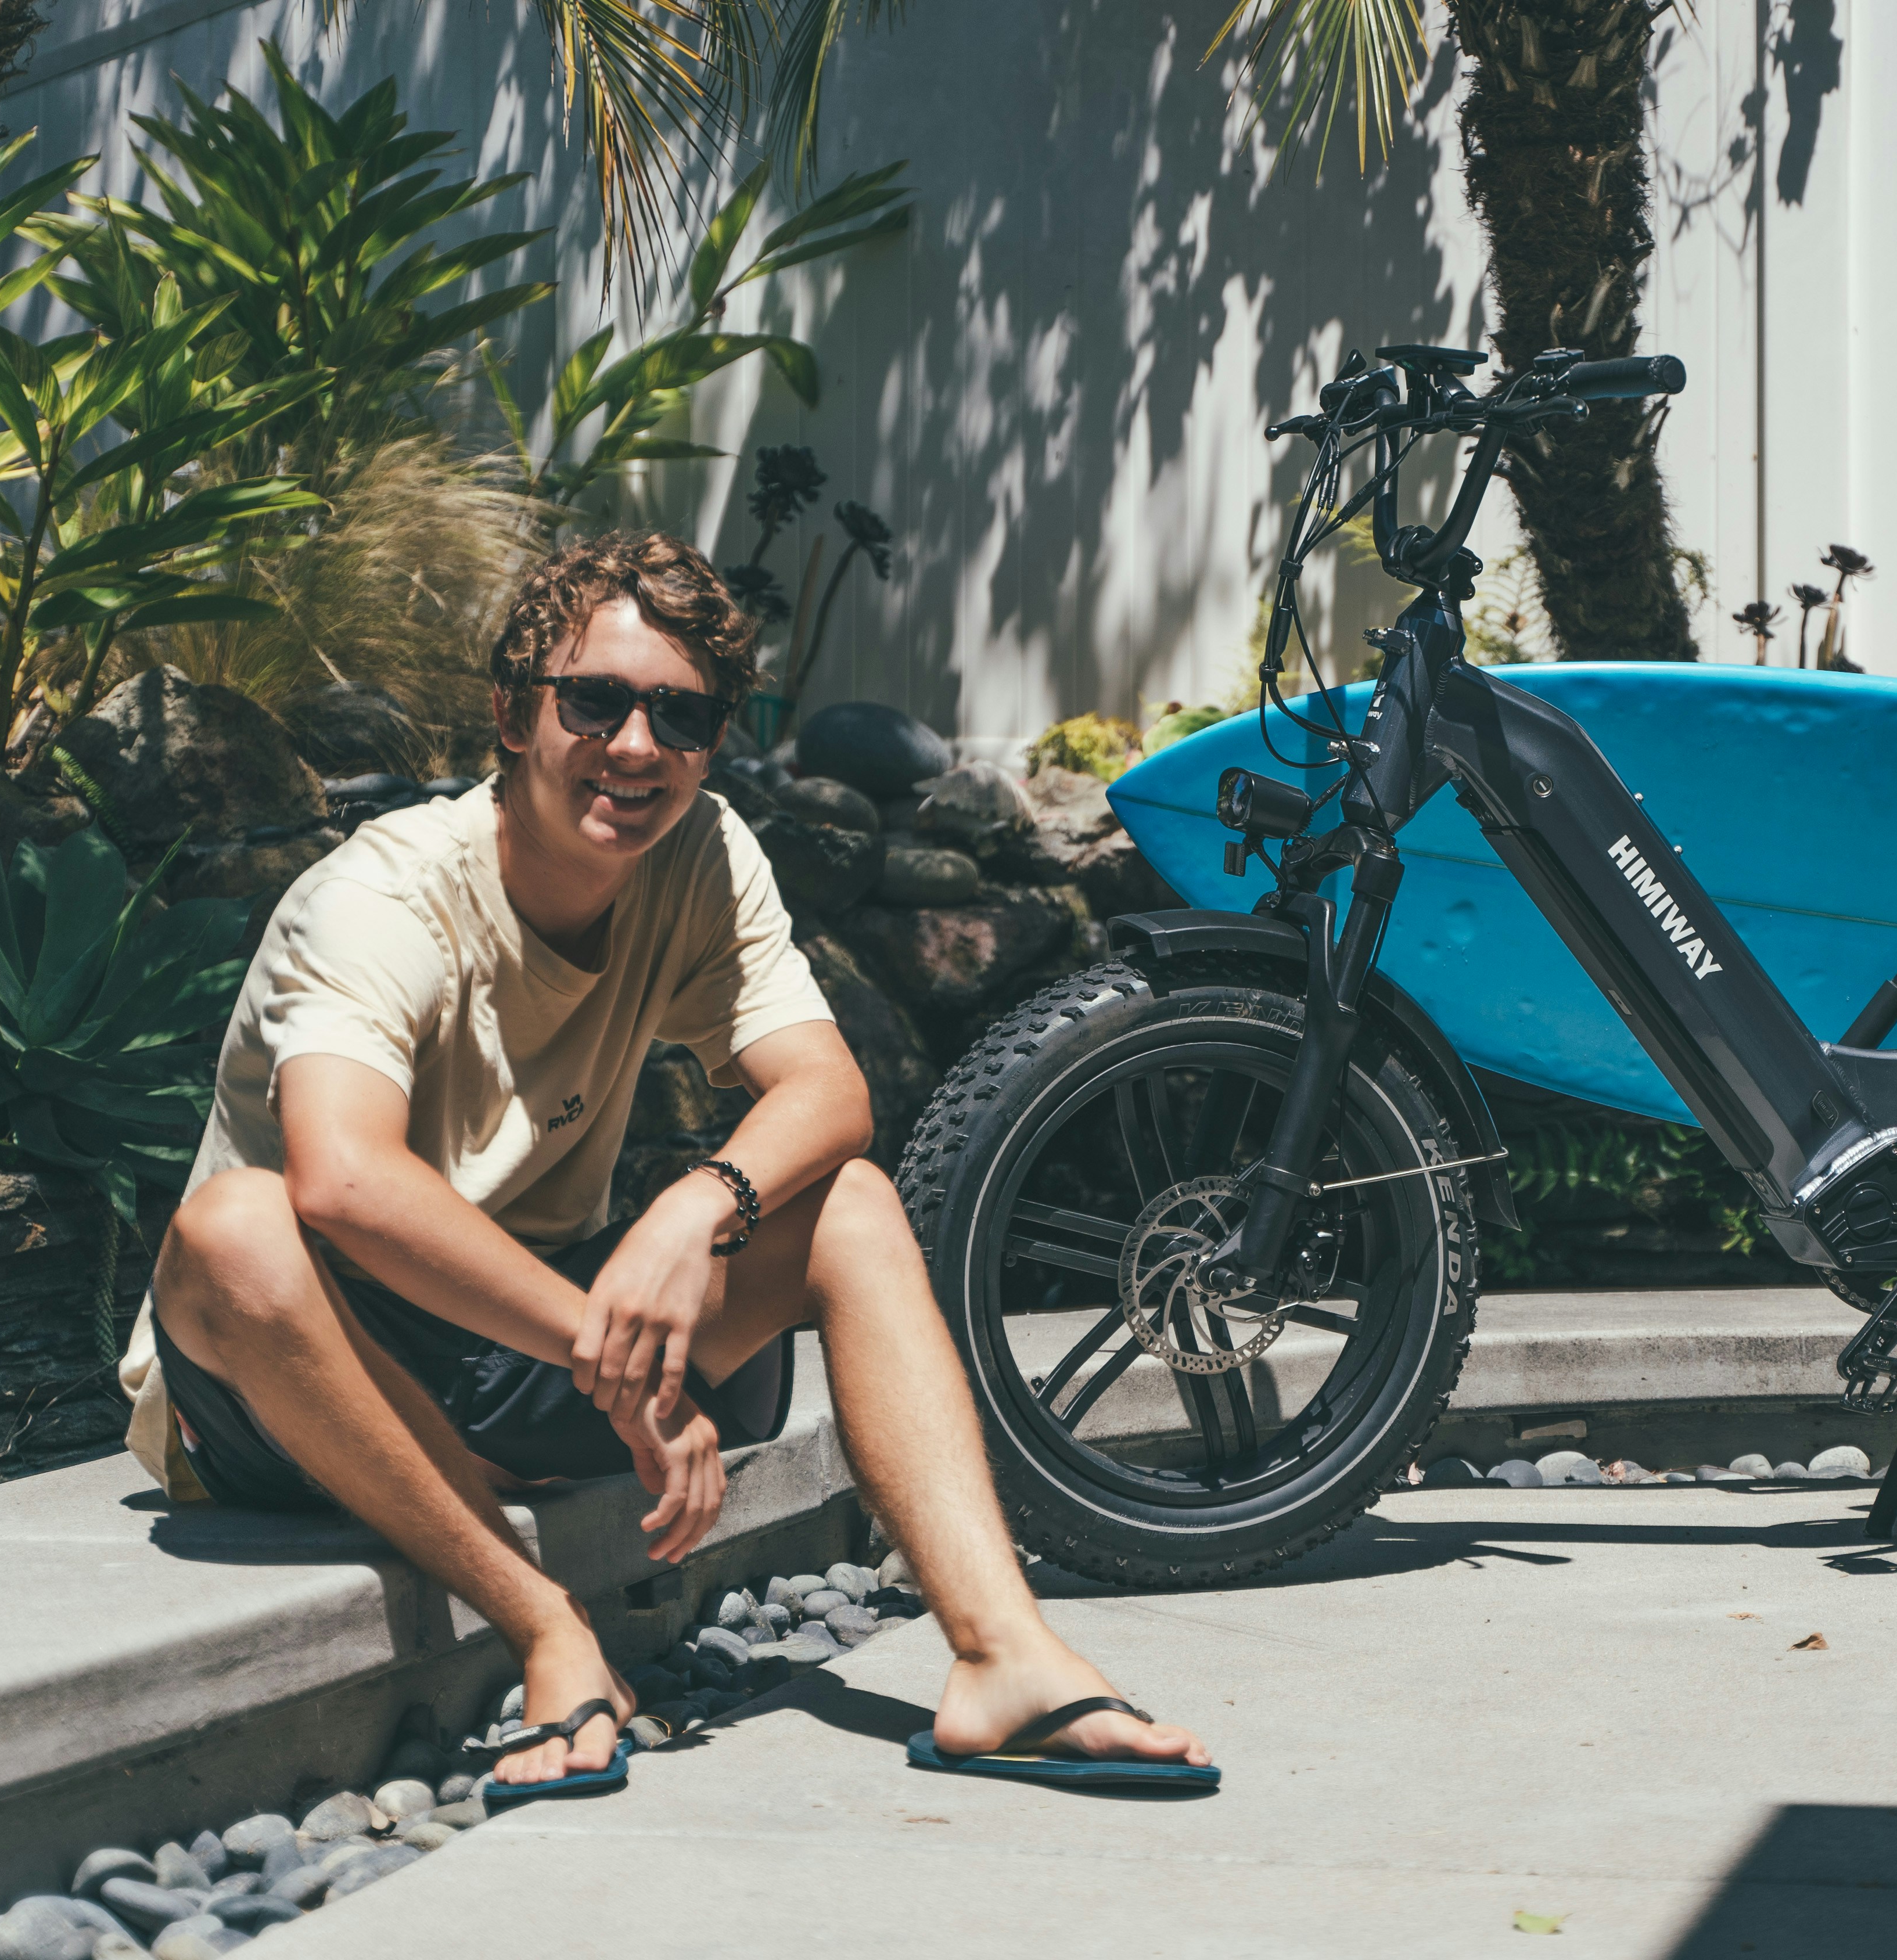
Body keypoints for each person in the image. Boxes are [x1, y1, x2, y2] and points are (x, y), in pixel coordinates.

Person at [114, 532, 1207, 1791]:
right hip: (300, 1382)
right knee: (234, 1228)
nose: (637, 746)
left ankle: (1004, 1656)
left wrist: (702, 1203)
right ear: (514, 714)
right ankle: (548, 1629)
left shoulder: (698, 852)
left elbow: (830, 1091)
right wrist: (616, 1358)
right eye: (595, 701)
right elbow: (343, 1180)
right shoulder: (381, 898)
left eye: (680, 716)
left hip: (518, 1362)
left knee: (845, 1204)